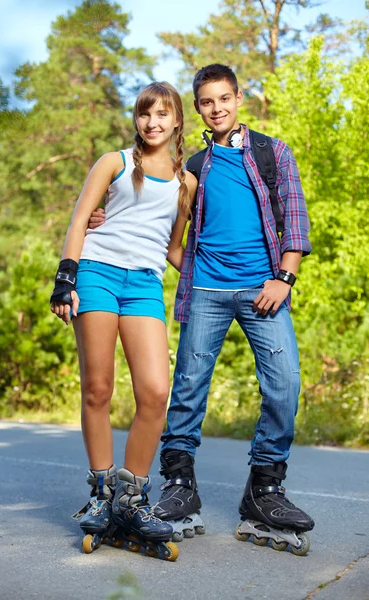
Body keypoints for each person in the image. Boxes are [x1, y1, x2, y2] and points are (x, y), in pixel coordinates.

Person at [89, 64, 315, 555]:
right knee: (187, 390)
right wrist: (103, 217)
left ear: (238, 97)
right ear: (197, 109)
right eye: (207, 102)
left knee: (285, 383)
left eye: (224, 99)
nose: (217, 108)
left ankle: (265, 488)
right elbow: (160, 226)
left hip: (264, 290)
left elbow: (294, 219)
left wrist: (284, 277)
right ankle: (178, 484)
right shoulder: (190, 169)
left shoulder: (271, 152)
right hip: (206, 291)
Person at [50, 81, 197, 561]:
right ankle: (100, 489)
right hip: (96, 274)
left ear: (177, 120)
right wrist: (64, 278)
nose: (153, 123)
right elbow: (79, 219)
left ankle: (130, 499)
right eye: (144, 114)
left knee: (155, 391)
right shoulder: (114, 162)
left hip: (145, 286)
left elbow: (175, 247)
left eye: (162, 115)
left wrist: (216, 281)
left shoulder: (186, 182)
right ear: (136, 119)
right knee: (98, 387)